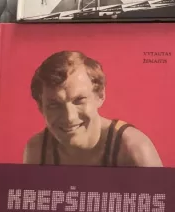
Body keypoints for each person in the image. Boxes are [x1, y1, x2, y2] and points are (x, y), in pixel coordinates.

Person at [22, 51, 162, 167]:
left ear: (100, 96)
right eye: (54, 105)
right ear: (41, 107)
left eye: (79, 100)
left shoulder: (132, 148)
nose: (69, 117)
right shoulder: (37, 149)